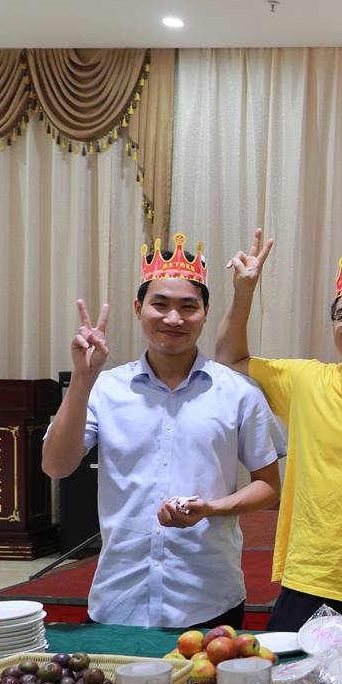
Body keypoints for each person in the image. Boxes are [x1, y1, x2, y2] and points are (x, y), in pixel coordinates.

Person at [42, 232, 285, 629]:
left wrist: (213, 508)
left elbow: (269, 487)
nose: (174, 319)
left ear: (205, 313)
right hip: (118, 597)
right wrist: (83, 379)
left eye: (188, 307)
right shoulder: (106, 388)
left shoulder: (237, 391)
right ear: (139, 308)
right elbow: (56, 465)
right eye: (160, 305)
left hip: (208, 597)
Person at [212, 229, 342, 633]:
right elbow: (228, 360)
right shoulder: (306, 379)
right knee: (288, 673)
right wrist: (244, 293)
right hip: (310, 576)